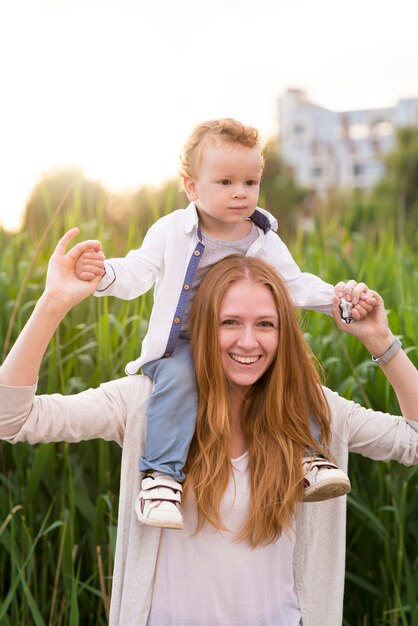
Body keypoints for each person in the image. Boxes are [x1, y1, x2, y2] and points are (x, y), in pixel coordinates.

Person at [0, 230, 417, 625]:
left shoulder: (314, 410)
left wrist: (381, 340)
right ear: (200, 327)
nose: (248, 342)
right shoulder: (145, 404)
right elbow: (12, 419)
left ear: (284, 332)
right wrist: (53, 302)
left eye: (265, 324)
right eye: (229, 322)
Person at [74, 118, 371, 529]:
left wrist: (338, 300)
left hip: (237, 343)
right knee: (180, 380)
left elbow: (293, 283)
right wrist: (103, 273)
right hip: (181, 345)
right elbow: (138, 271)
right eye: (226, 182)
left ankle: (308, 455)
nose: (240, 193)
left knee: (291, 369)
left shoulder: (263, 239)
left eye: (250, 183)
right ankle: (160, 477)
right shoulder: (171, 231)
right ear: (192, 186)